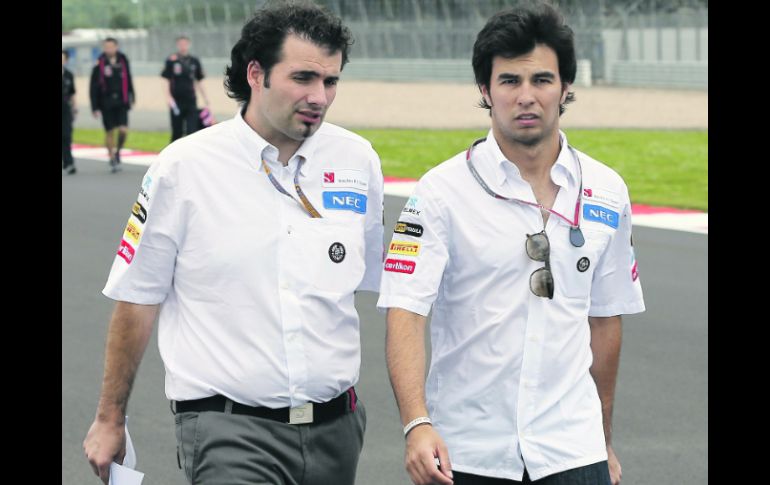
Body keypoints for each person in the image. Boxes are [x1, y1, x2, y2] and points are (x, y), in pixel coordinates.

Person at [83, 3, 383, 484]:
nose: (319, 96)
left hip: (336, 431)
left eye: (331, 81)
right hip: (228, 431)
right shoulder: (183, 168)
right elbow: (137, 298)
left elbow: (358, 289)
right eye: (303, 77)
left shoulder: (357, 161)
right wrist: (109, 417)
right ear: (256, 73)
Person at [378, 4, 645, 485]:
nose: (527, 97)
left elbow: (606, 320)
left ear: (565, 88)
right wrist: (416, 424)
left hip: (572, 451)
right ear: (485, 90)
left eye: (542, 80)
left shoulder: (607, 190)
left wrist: (602, 439)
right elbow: (405, 311)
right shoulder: (439, 192)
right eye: (509, 81)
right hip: (468, 452)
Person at [89, 37, 135, 173]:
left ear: (116, 47)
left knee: (123, 130)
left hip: (122, 101)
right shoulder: (99, 64)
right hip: (106, 102)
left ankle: (118, 151)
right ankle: (112, 157)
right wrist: (95, 107)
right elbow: (93, 87)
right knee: (110, 131)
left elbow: (129, 79)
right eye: (106, 47)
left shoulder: (123, 61)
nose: (109, 49)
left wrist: (132, 96)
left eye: (111, 46)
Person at [161, 35, 210, 141]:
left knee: (192, 131)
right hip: (176, 101)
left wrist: (206, 99)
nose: (183, 46)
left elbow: (199, 80)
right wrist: (168, 97)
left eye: (185, 44)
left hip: (191, 100)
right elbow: (166, 80)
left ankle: (189, 156)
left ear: (189, 44)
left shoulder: (194, 61)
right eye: (180, 44)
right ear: (177, 45)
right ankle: (172, 155)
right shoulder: (171, 60)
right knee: (177, 132)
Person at [62, 49, 77, 175]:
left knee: (66, 135)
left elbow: (72, 93)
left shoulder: (69, 75)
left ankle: (69, 163)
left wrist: (74, 107)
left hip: (65, 108)